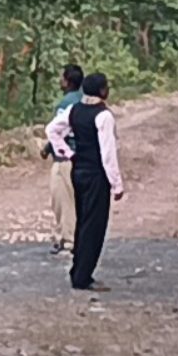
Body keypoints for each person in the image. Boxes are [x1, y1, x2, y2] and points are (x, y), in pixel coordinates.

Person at [44, 72, 124, 292]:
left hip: (78, 170)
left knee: (82, 221)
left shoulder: (75, 110)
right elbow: (108, 154)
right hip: (97, 174)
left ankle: (77, 270)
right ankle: (83, 275)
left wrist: (68, 152)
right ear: (102, 91)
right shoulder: (103, 116)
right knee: (94, 225)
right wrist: (117, 184)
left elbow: (52, 130)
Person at [40, 64, 83, 255]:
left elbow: (60, 133)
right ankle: (80, 238)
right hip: (83, 158)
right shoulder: (86, 101)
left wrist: (48, 148)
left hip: (65, 159)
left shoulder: (65, 104)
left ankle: (67, 239)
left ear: (67, 81)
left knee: (63, 200)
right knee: (79, 200)